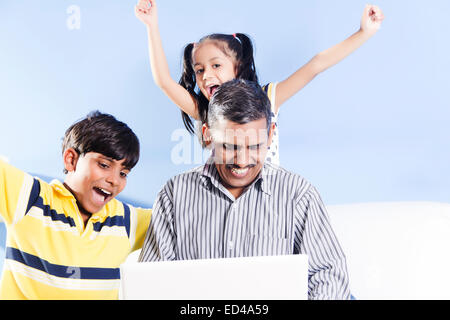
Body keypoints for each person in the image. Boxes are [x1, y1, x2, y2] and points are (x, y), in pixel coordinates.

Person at [139, 79, 351, 300]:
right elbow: (151, 283)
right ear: (208, 135)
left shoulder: (298, 195)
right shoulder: (174, 195)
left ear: (270, 136)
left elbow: (329, 277)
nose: (242, 161)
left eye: (254, 146)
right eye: (229, 146)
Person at [135, 0, 384, 164]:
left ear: (238, 66)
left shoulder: (266, 99)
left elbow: (316, 64)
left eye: (216, 66)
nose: (206, 76)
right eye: (199, 70)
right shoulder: (206, 110)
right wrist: (151, 26)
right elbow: (164, 81)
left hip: (266, 199)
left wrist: (364, 32)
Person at [0, 111, 152, 299]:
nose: (114, 180)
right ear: (71, 159)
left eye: (123, 173)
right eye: (104, 165)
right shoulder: (30, 199)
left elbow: (190, 216)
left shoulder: (128, 221)